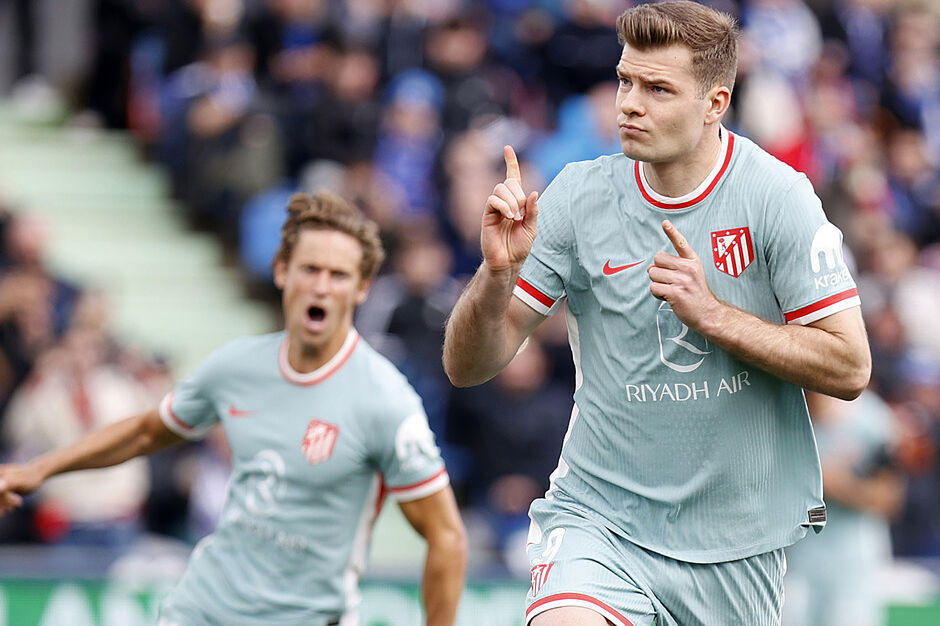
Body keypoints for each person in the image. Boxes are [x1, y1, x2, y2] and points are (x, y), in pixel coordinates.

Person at [442, 2, 871, 626]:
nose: (629, 104)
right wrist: (495, 275)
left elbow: (850, 364)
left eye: (658, 88)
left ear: (715, 103)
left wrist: (714, 316)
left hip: (736, 543)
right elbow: (467, 365)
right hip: (599, 521)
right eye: (625, 81)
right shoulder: (577, 196)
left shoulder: (777, 197)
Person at [0, 191, 467, 626]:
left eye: (338, 275)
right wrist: (38, 470)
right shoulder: (236, 367)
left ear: (361, 288)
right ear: (281, 270)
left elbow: (446, 537)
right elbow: (147, 431)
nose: (322, 287)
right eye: (310, 269)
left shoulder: (385, 399)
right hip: (203, 608)